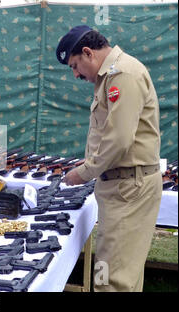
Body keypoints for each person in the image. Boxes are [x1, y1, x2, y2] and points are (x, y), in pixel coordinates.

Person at [56, 25, 162, 292]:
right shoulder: (110, 77)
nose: (76, 74)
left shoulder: (122, 74)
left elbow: (119, 139)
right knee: (122, 275)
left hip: (128, 189)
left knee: (110, 281)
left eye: (75, 65)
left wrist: (84, 171)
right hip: (122, 187)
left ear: (89, 52)